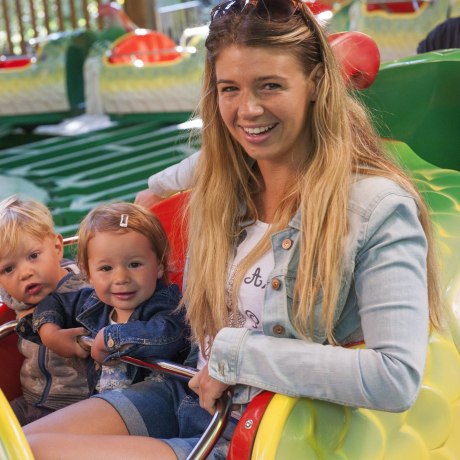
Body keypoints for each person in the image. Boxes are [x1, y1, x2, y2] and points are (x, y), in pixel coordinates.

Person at [24, 0, 443, 458]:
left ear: (316, 83)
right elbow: (193, 168)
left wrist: (237, 355)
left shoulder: (376, 207)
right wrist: (148, 196)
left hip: (263, 428)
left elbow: (395, 377)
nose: (248, 109)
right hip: (185, 388)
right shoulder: (225, 182)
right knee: (19, 445)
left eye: (270, 86)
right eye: (230, 89)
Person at [32, 201, 189, 395]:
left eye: (134, 264)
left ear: (159, 265)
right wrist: (50, 333)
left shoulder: (166, 304)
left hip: (156, 404)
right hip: (100, 402)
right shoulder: (93, 302)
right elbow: (55, 301)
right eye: (106, 268)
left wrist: (111, 339)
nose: (121, 278)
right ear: (88, 273)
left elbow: (169, 335)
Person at [0, 196, 90, 425]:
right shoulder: (17, 297)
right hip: (31, 397)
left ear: (57, 248)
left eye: (33, 256)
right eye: (8, 269)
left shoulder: (82, 293)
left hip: (76, 402)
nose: (24, 273)